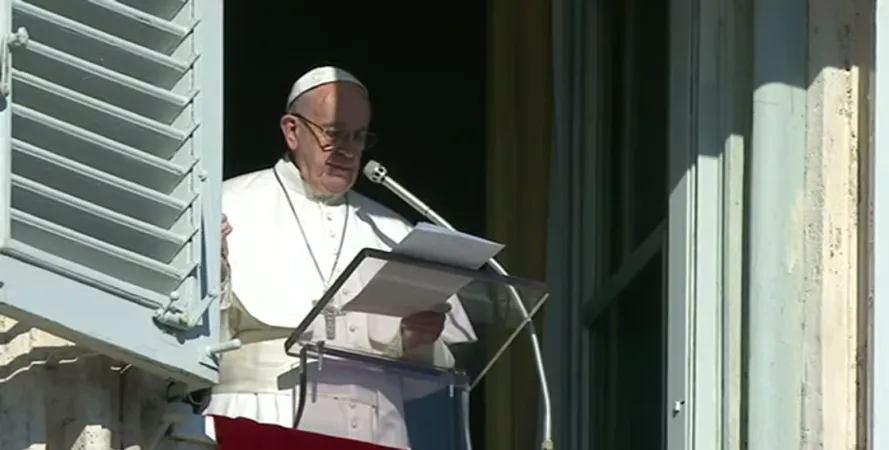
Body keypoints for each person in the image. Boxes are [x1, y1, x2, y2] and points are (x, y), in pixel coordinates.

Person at [204, 66, 476, 448]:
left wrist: (413, 341)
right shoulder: (228, 206)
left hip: (379, 429)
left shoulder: (392, 230)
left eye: (358, 136)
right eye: (333, 134)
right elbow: (195, 343)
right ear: (292, 131)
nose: (347, 150)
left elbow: (434, 376)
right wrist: (215, 275)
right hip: (264, 417)